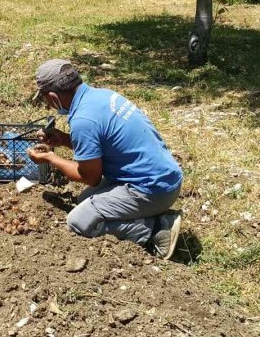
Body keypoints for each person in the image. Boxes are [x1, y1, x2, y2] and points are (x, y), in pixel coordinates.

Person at [26, 59, 184, 259]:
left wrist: (50, 158)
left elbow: (90, 176)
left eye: (46, 100)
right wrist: (65, 139)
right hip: (164, 176)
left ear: (53, 97)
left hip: (154, 189)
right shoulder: (102, 95)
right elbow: (103, 144)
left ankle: (157, 230)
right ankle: (150, 215)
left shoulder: (83, 120)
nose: (48, 104)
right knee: (84, 199)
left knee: (79, 221)